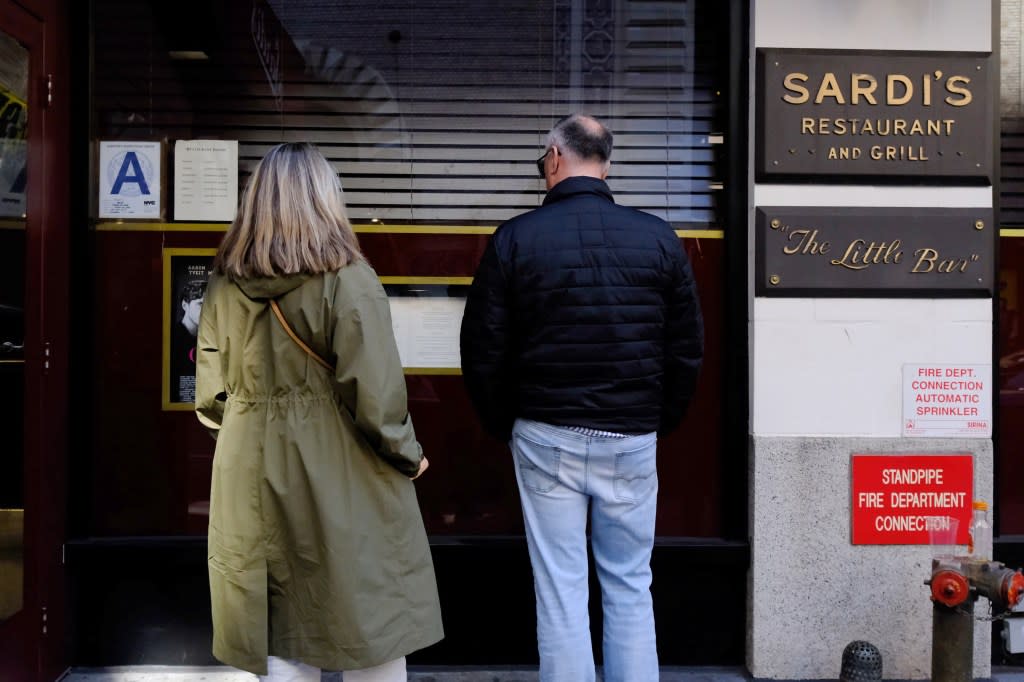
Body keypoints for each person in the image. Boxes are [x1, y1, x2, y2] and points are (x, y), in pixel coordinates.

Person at [459, 114, 703, 682]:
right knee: (629, 585)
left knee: (562, 591)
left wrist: (507, 424)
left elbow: (482, 349)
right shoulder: (658, 239)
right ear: (606, 164)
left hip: (546, 432)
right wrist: (655, 420)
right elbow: (686, 348)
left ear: (554, 158)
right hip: (632, 432)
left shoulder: (515, 239)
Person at [195, 142, 443, 682]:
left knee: (278, 629)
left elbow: (211, 398)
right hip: (341, 470)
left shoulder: (223, 281)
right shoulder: (348, 280)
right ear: (325, 201)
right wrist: (410, 457)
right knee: (370, 620)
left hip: (247, 473)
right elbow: (376, 401)